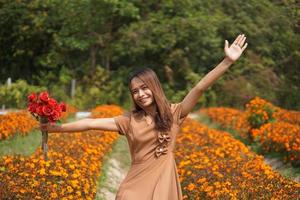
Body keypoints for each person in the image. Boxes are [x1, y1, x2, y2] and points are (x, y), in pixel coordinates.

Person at [41, 34, 248, 200]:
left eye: (144, 88)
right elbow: (89, 123)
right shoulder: (128, 121)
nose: (140, 94)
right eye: (135, 91)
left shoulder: (174, 113)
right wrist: (55, 128)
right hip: (135, 186)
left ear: (154, 87)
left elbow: (199, 87)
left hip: (164, 184)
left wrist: (227, 62)